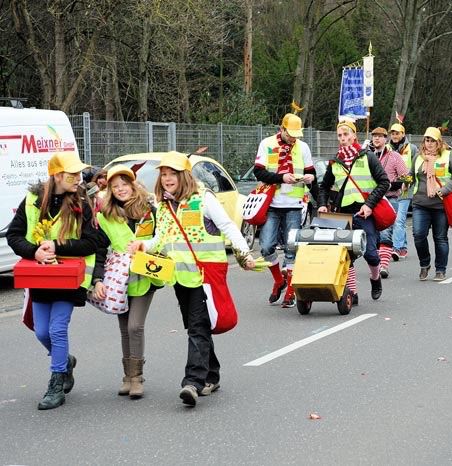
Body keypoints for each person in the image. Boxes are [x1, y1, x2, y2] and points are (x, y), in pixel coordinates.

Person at [129, 152, 256, 407]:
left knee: (198, 326)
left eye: (172, 174)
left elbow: (229, 226)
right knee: (195, 325)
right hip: (180, 276)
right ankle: (212, 374)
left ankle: (192, 383)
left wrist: (244, 253)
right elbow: (161, 241)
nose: (166, 179)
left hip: (205, 273)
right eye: (163, 175)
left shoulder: (204, 198)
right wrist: (141, 245)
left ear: (183, 175)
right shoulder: (164, 205)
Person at [7, 151, 99, 410]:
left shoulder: (82, 201)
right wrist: (33, 251)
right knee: (42, 332)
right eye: (73, 174)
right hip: (41, 277)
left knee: (58, 330)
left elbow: (94, 241)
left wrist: (57, 245)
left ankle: (57, 381)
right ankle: (66, 361)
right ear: (57, 175)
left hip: (69, 279)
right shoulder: (34, 200)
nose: (79, 178)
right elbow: (14, 236)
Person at [92, 165, 161, 399]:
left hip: (145, 274)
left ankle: (138, 377)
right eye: (115, 186)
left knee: (134, 326)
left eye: (124, 184)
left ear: (133, 185)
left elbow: (162, 239)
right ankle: (128, 377)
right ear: (110, 190)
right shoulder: (105, 215)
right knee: (124, 328)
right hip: (119, 278)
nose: (121, 190)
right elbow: (99, 250)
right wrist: (97, 280)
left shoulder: (149, 210)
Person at [317, 120, 390, 303]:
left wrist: (369, 205)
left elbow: (384, 182)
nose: (343, 139)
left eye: (346, 135)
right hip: (343, 214)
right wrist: (322, 204)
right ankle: (352, 292)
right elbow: (324, 187)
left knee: (371, 253)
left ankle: (375, 278)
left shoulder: (367, 156)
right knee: (346, 255)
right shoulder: (335, 162)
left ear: (354, 136)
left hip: (364, 212)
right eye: (340, 136)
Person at [253, 113, 316, 308]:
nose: (293, 138)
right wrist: (282, 178)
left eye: (296, 135)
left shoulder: (303, 147)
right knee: (266, 246)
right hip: (271, 203)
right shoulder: (267, 143)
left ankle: (290, 290)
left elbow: (311, 172)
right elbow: (259, 171)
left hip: (294, 205)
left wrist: (309, 179)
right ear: (282, 129)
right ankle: (278, 280)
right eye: (290, 135)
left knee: (291, 248)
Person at [411, 127, 452, 281]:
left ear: (439, 142)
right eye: (427, 140)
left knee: (440, 238)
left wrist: (446, 189)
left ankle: (440, 269)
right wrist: (405, 181)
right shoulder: (418, 157)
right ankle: (424, 263)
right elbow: (410, 175)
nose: (430, 143)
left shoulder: (449, 156)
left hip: (441, 205)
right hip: (420, 203)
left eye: (433, 140)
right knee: (418, 235)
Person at [371, 127, 408, 279]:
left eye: (380, 136)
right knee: (373, 234)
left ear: (386, 139)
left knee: (386, 231)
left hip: (390, 198)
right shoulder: (367, 156)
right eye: (374, 136)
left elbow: (406, 177)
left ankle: (383, 265)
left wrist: (392, 185)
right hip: (371, 200)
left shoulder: (395, 156)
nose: (377, 139)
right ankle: (376, 263)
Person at [388, 122, 417, 260]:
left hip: (406, 190)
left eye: (397, 133)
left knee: (399, 220)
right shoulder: (386, 148)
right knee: (397, 220)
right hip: (391, 191)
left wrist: (408, 182)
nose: (394, 136)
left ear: (403, 134)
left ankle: (397, 248)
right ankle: (403, 247)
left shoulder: (412, 148)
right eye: (392, 133)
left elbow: (416, 167)